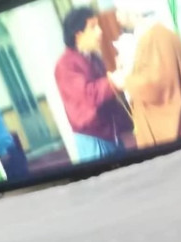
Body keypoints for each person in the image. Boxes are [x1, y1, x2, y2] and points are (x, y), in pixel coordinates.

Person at [107, 9, 181, 149]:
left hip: (175, 127)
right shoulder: (151, 35)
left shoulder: (155, 36)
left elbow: (158, 84)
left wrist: (125, 82)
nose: (116, 15)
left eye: (119, 9)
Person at [55, 7, 133, 162]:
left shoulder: (93, 58)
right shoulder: (65, 65)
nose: (100, 31)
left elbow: (106, 94)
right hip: (93, 138)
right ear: (78, 34)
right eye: (93, 27)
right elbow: (87, 96)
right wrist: (113, 81)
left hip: (110, 133)